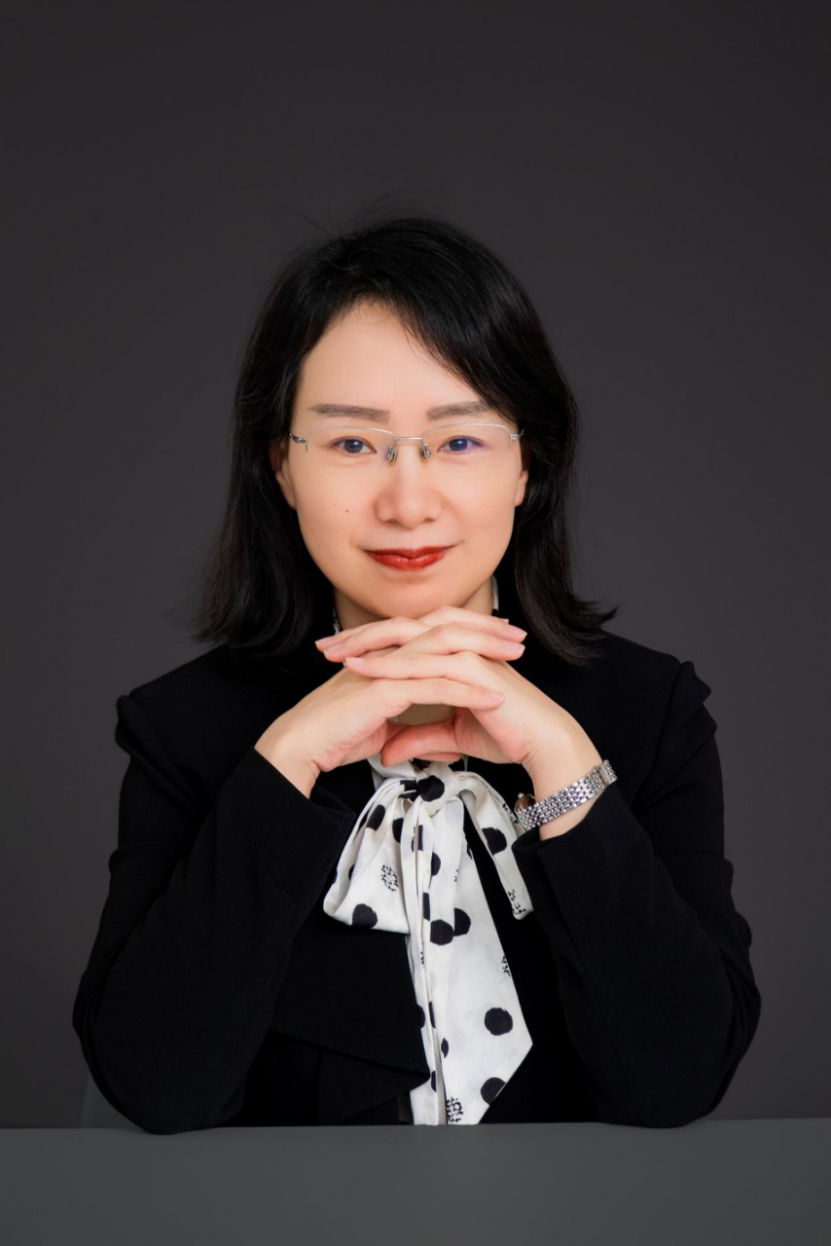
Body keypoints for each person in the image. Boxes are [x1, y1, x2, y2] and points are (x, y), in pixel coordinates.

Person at [72, 209, 761, 1134]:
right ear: (281, 467)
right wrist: (285, 764)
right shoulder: (185, 730)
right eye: (353, 444)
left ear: (527, 466)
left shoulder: (648, 710)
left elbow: (675, 1086)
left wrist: (562, 768)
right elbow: (157, 1090)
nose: (406, 501)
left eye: (460, 440)